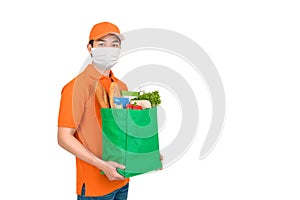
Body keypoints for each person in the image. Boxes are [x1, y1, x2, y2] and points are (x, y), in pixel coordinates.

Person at [57, 22, 130, 199]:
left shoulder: (120, 86)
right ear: (90, 47)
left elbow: (124, 132)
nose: (109, 49)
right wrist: (103, 165)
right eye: (101, 44)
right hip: (94, 187)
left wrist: (147, 153)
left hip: (123, 179)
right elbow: (64, 137)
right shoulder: (76, 87)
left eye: (114, 44)